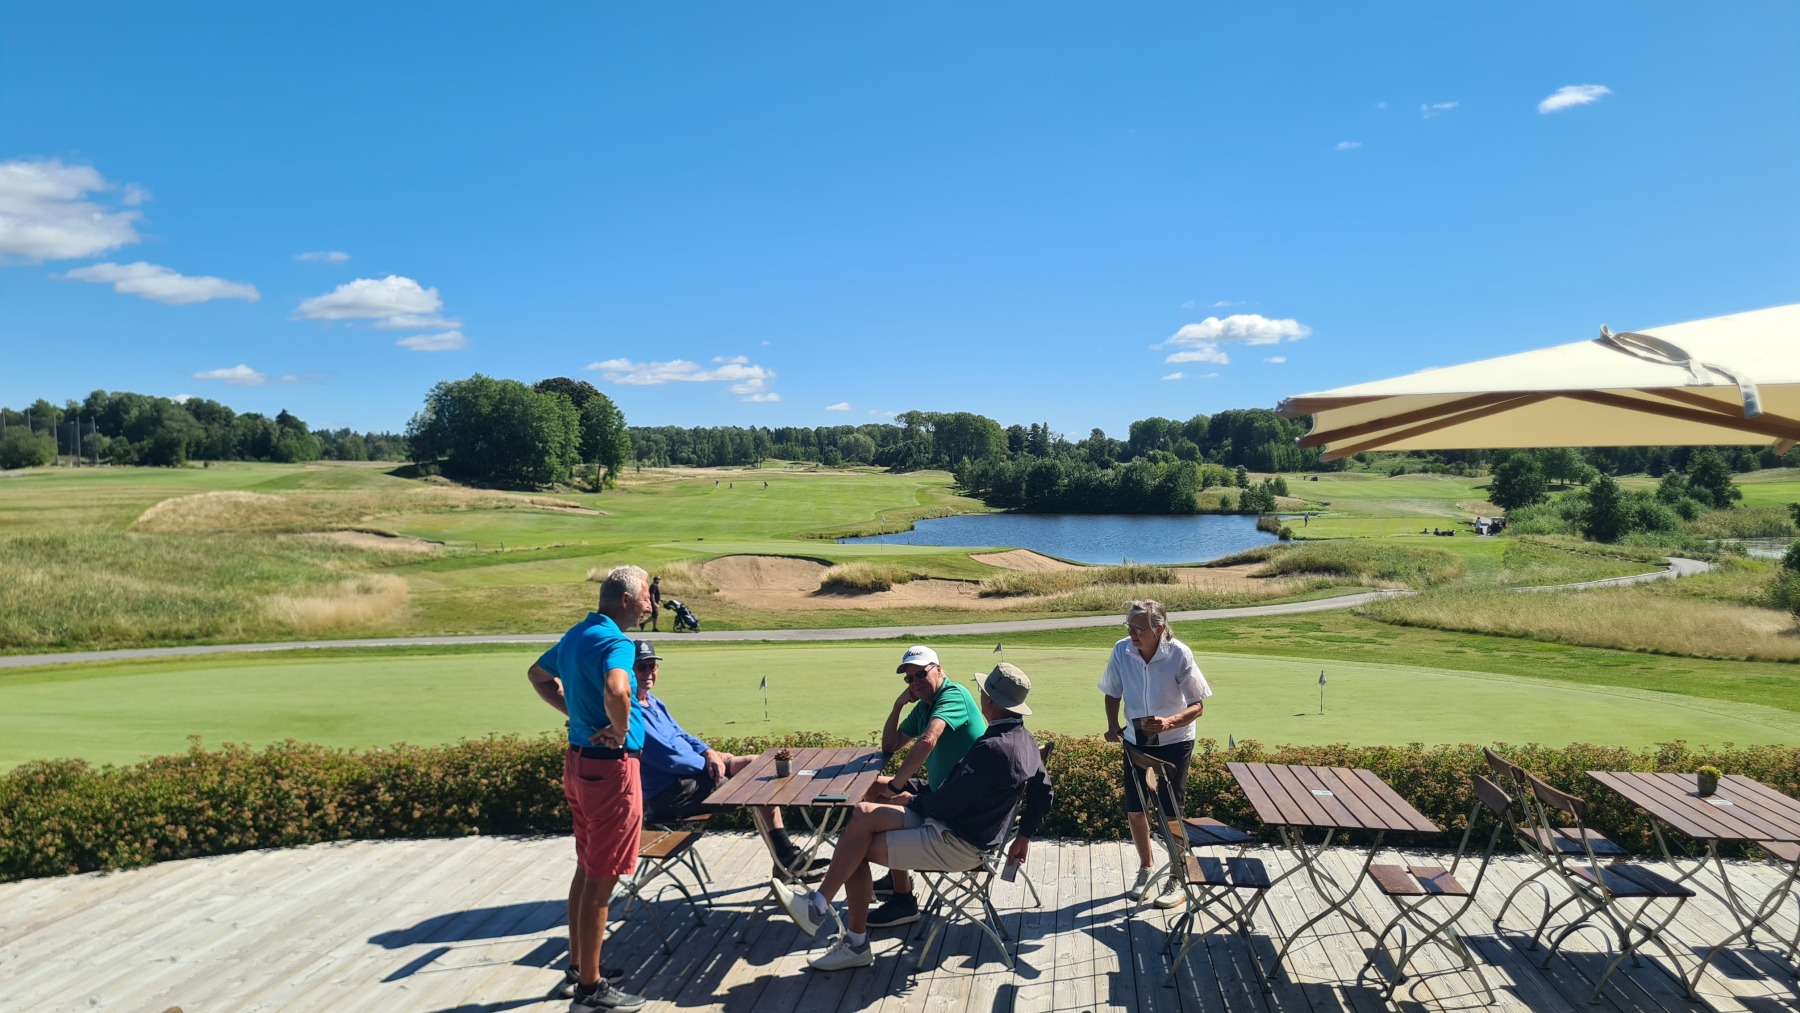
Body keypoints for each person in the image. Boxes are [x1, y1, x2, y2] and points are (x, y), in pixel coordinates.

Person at [770, 663, 1054, 971]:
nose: (980, 696)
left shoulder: (993, 747)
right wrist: (1024, 836)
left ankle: (854, 942)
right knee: (863, 813)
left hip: (957, 842)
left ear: (990, 701)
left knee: (854, 849)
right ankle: (820, 905)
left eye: (983, 691)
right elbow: (1043, 793)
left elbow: (947, 803)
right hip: (957, 827)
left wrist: (912, 800)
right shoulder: (1024, 740)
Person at [527, 565, 653, 1013]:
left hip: (579, 764)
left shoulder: (576, 634)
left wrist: (576, 715)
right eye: (646, 597)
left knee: (586, 867)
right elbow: (618, 689)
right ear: (625, 600)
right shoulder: (617, 642)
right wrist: (619, 729)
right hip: (611, 771)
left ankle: (580, 968)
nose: (651, 605)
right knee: (602, 880)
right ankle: (590, 990)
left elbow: (536, 675)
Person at [632, 641, 818, 876]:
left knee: (755, 764)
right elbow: (671, 758)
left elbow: (682, 735)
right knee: (755, 785)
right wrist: (711, 762)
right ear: (628, 672)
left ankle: (784, 857)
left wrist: (709, 752)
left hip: (692, 779)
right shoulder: (632, 713)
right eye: (641, 667)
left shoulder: (653, 701)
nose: (648, 672)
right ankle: (786, 857)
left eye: (652, 666)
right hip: (672, 793)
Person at [863, 644, 988, 927]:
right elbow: (890, 745)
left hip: (957, 805)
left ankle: (902, 898)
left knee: (882, 803)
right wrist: (898, 705)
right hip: (942, 789)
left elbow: (929, 740)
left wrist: (896, 787)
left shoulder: (953, 695)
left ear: (939, 670)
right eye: (910, 678)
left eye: (921, 674)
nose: (916, 682)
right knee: (874, 788)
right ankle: (898, 882)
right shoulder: (924, 706)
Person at [1100, 599, 1212, 910]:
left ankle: (1177, 876)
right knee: (1135, 809)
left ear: (1159, 629)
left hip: (1175, 742)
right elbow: (1112, 691)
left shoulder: (1180, 654)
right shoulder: (1121, 650)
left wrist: (1169, 722)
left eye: (1139, 629)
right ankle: (1146, 868)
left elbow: (1198, 706)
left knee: (1172, 814)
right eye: (1129, 627)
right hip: (1136, 741)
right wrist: (1112, 725)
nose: (1132, 633)